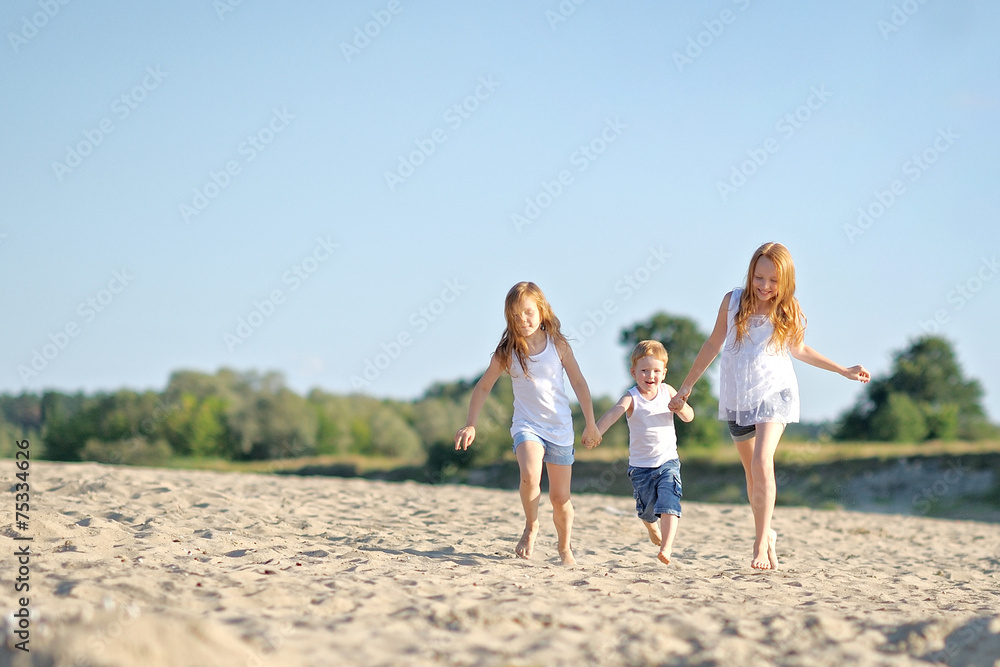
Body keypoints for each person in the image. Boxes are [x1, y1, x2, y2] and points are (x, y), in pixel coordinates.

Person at [668, 242, 870, 570]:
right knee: (751, 474)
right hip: (737, 394)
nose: (764, 286)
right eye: (759, 277)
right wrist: (687, 386)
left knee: (763, 463)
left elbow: (800, 350)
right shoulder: (732, 301)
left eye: (773, 280)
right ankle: (768, 532)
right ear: (751, 273)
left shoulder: (787, 308)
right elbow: (713, 343)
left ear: (785, 280)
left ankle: (759, 544)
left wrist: (842, 370)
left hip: (775, 392)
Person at [455, 281, 601, 565]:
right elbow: (483, 387)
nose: (523, 320)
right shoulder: (508, 350)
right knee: (530, 475)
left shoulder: (558, 345)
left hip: (560, 428)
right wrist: (471, 423)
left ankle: (564, 548)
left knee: (560, 499)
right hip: (527, 425)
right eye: (516, 316)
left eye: (528, 313)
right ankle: (531, 526)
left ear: (541, 310)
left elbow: (579, 384)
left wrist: (591, 423)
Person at [589, 340, 694, 564]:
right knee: (647, 510)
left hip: (668, 462)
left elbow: (689, 417)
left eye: (656, 371)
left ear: (664, 373)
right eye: (644, 370)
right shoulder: (631, 397)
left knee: (669, 503)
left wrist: (681, 407)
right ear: (633, 372)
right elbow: (614, 412)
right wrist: (596, 431)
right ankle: (650, 526)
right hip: (641, 467)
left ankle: (666, 547)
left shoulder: (668, 392)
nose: (650, 375)